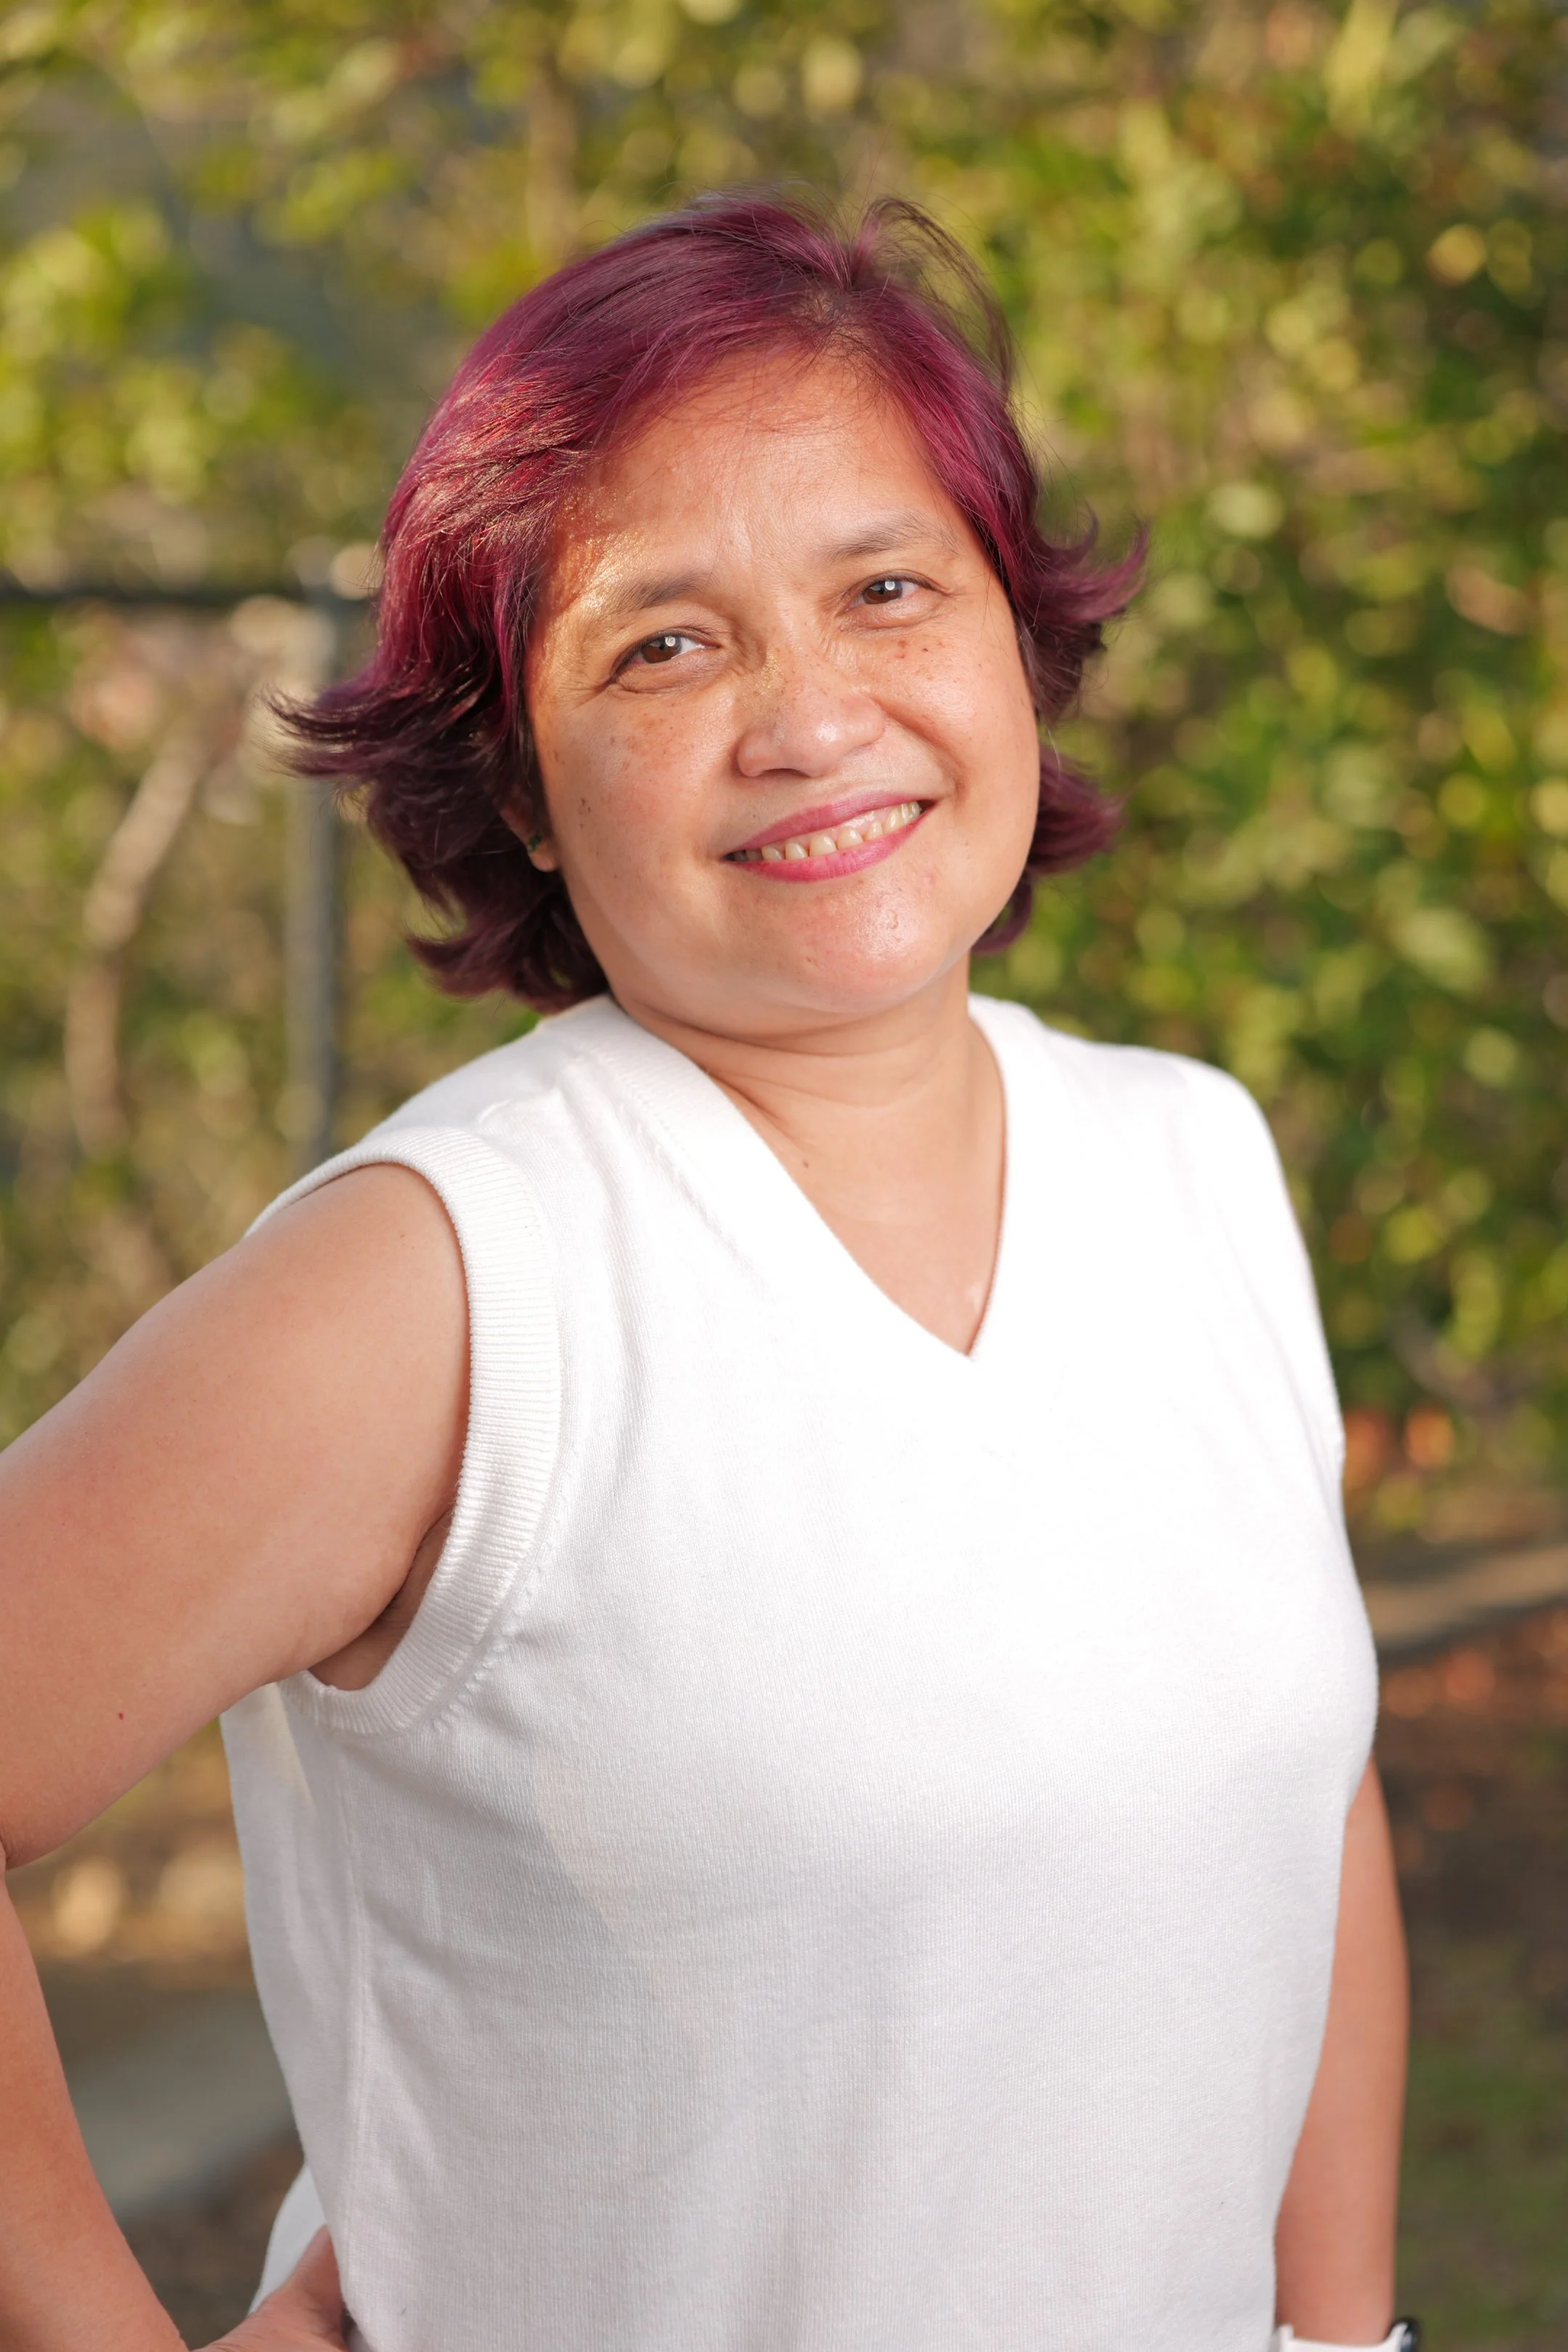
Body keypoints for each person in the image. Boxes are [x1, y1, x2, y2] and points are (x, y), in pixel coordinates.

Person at [0, 194, 1412, 2352]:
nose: (810, 716)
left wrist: (1348, 2331)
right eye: (666, 644)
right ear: (526, 787)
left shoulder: (1188, 1159)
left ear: (1008, 640)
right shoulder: (452, 1286)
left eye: (885, 589)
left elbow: (1296, 1804)